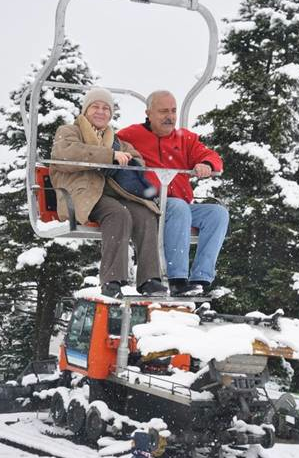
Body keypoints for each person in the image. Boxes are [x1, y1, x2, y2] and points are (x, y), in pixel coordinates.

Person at [50, 87, 167, 299]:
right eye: (95, 106)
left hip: (111, 193)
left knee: (145, 214)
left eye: (106, 108)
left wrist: (128, 160)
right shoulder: (69, 132)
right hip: (81, 194)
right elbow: (67, 155)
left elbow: (136, 157)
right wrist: (109, 156)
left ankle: (149, 279)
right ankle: (112, 280)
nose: (101, 112)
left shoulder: (115, 139)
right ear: (86, 110)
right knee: (117, 213)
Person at [118, 90, 229, 296]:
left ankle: (201, 279)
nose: (169, 116)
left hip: (179, 204)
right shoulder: (131, 135)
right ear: (149, 113)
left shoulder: (185, 139)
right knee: (178, 207)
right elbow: (111, 147)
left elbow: (210, 156)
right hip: (150, 203)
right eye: (163, 111)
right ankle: (177, 279)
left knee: (217, 213)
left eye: (173, 111)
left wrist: (205, 163)